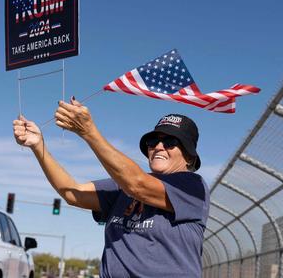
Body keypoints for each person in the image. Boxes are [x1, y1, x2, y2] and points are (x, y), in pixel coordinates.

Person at [12, 98, 210, 278]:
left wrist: (89, 132)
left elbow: (137, 185)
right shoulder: (122, 186)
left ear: (190, 157)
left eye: (170, 142)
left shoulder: (192, 188)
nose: (158, 147)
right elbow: (71, 192)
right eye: (153, 141)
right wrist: (38, 146)